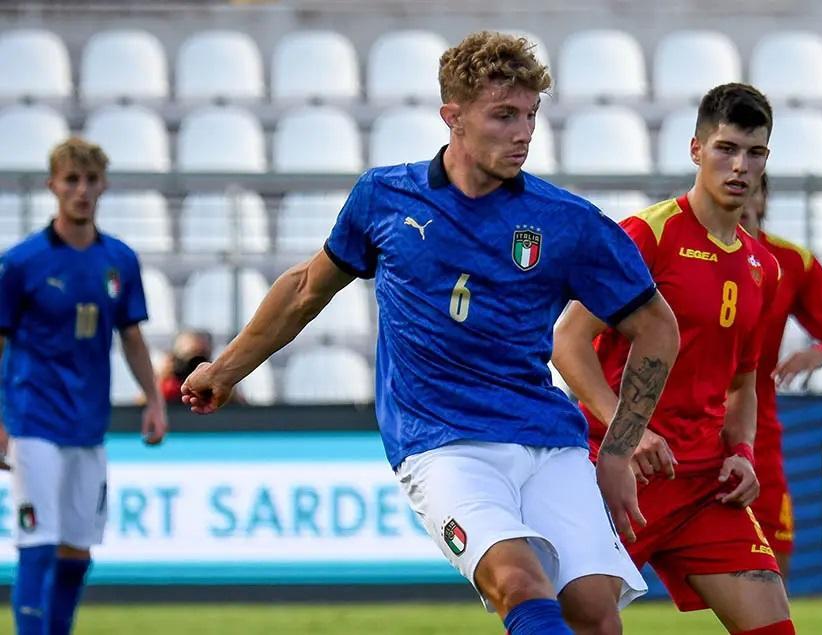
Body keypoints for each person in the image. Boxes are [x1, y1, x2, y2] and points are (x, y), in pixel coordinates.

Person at [180, 31, 679, 635]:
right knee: (519, 584)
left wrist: (620, 448)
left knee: (595, 616)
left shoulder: (566, 222)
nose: (523, 132)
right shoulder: (385, 197)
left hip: (549, 439)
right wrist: (225, 369)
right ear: (454, 118)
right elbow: (307, 287)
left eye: (530, 116)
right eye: (504, 116)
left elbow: (656, 325)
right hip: (443, 445)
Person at [553, 83, 796, 635]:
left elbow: (742, 384)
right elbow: (567, 342)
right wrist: (628, 431)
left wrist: (742, 452)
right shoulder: (647, 235)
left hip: (703, 485)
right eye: (725, 149)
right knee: (586, 625)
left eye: (754, 153)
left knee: (774, 627)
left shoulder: (765, 268)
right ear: (695, 150)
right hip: (617, 473)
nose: (739, 166)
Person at [0, 137, 168, 635]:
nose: (81, 190)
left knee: (78, 547)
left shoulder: (119, 260)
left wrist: (155, 400)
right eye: (71, 180)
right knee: (38, 542)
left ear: (103, 186)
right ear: (53, 185)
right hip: (33, 420)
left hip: (88, 425)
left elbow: (132, 336)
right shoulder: (21, 263)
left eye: (90, 180)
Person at [740, 173, 822, 580]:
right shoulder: (683, 251)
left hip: (757, 430)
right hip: (684, 424)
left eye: (751, 188)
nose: (741, 197)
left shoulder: (792, 262)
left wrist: (818, 352)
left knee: (773, 551)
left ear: (764, 198)